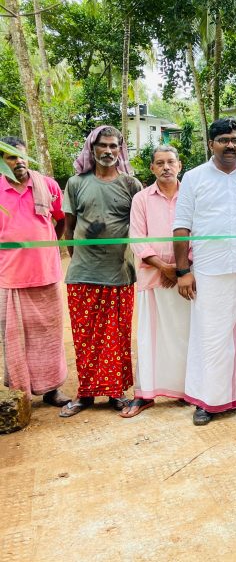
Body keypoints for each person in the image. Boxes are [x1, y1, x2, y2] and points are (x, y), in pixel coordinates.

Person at [173, 118, 236, 425]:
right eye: (224, 140)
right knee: (211, 336)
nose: (231, 145)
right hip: (208, 268)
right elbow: (181, 226)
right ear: (211, 144)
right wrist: (182, 271)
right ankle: (208, 400)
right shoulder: (194, 177)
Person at [60, 126, 142, 417]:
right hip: (82, 274)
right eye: (102, 146)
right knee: (85, 338)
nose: (108, 151)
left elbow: (143, 225)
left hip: (119, 273)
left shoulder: (131, 184)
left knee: (117, 336)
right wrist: (80, 257)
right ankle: (85, 394)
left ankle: (116, 393)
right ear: (91, 149)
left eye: (114, 146)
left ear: (120, 150)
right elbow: (69, 229)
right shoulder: (75, 183)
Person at [0, 136, 70, 408]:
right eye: (10, 157)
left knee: (50, 336)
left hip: (46, 273)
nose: (18, 162)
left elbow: (61, 219)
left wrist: (49, 244)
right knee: (15, 339)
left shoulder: (47, 185)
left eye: (21, 156)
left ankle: (52, 390)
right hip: (10, 276)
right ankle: (20, 392)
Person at [122, 145, 190, 417]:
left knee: (185, 336)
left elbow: (199, 233)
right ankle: (146, 393)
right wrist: (164, 267)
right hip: (153, 277)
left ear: (179, 165)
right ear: (151, 168)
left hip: (186, 279)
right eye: (159, 163)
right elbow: (137, 238)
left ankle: (189, 390)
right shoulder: (141, 199)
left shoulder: (191, 196)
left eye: (171, 162)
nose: (166, 167)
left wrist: (181, 269)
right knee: (150, 337)